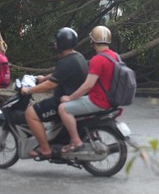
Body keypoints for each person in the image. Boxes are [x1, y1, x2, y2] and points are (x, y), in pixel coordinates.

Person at [20, 27, 88, 158]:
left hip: (62, 101)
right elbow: (60, 73)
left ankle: (45, 149)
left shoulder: (67, 61)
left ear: (61, 44)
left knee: (30, 113)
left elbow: (50, 85)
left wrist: (29, 90)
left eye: (57, 42)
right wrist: (43, 78)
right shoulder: (77, 57)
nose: (55, 44)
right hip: (74, 99)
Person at [58, 26, 119, 153]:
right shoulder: (115, 56)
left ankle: (76, 141)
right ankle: (90, 134)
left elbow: (88, 86)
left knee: (63, 108)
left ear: (92, 41)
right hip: (111, 99)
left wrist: (69, 97)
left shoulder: (98, 59)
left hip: (98, 101)